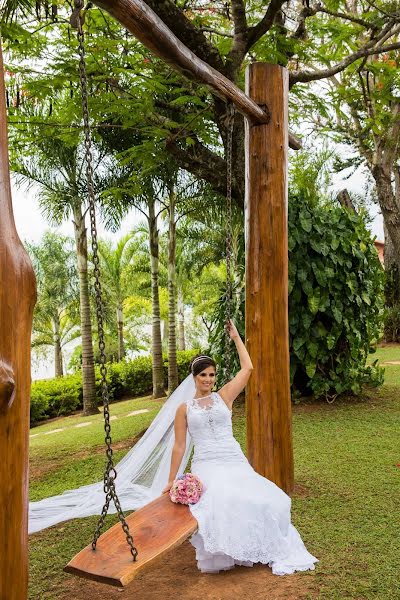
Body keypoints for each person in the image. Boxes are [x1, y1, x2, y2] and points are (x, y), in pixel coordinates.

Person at [162, 319, 319, 575]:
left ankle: (259, 545)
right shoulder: (184, 409)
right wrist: (172, 481)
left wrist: (236, 337)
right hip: (206, 463)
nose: (208, 379)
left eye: (212, 374)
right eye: (203, 374)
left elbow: (248, 368)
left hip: (232, 458)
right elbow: (179, 447)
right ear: (194, 377)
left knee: (272, 499)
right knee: (223, 496)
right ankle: (227, 550)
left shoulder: (224, 396)